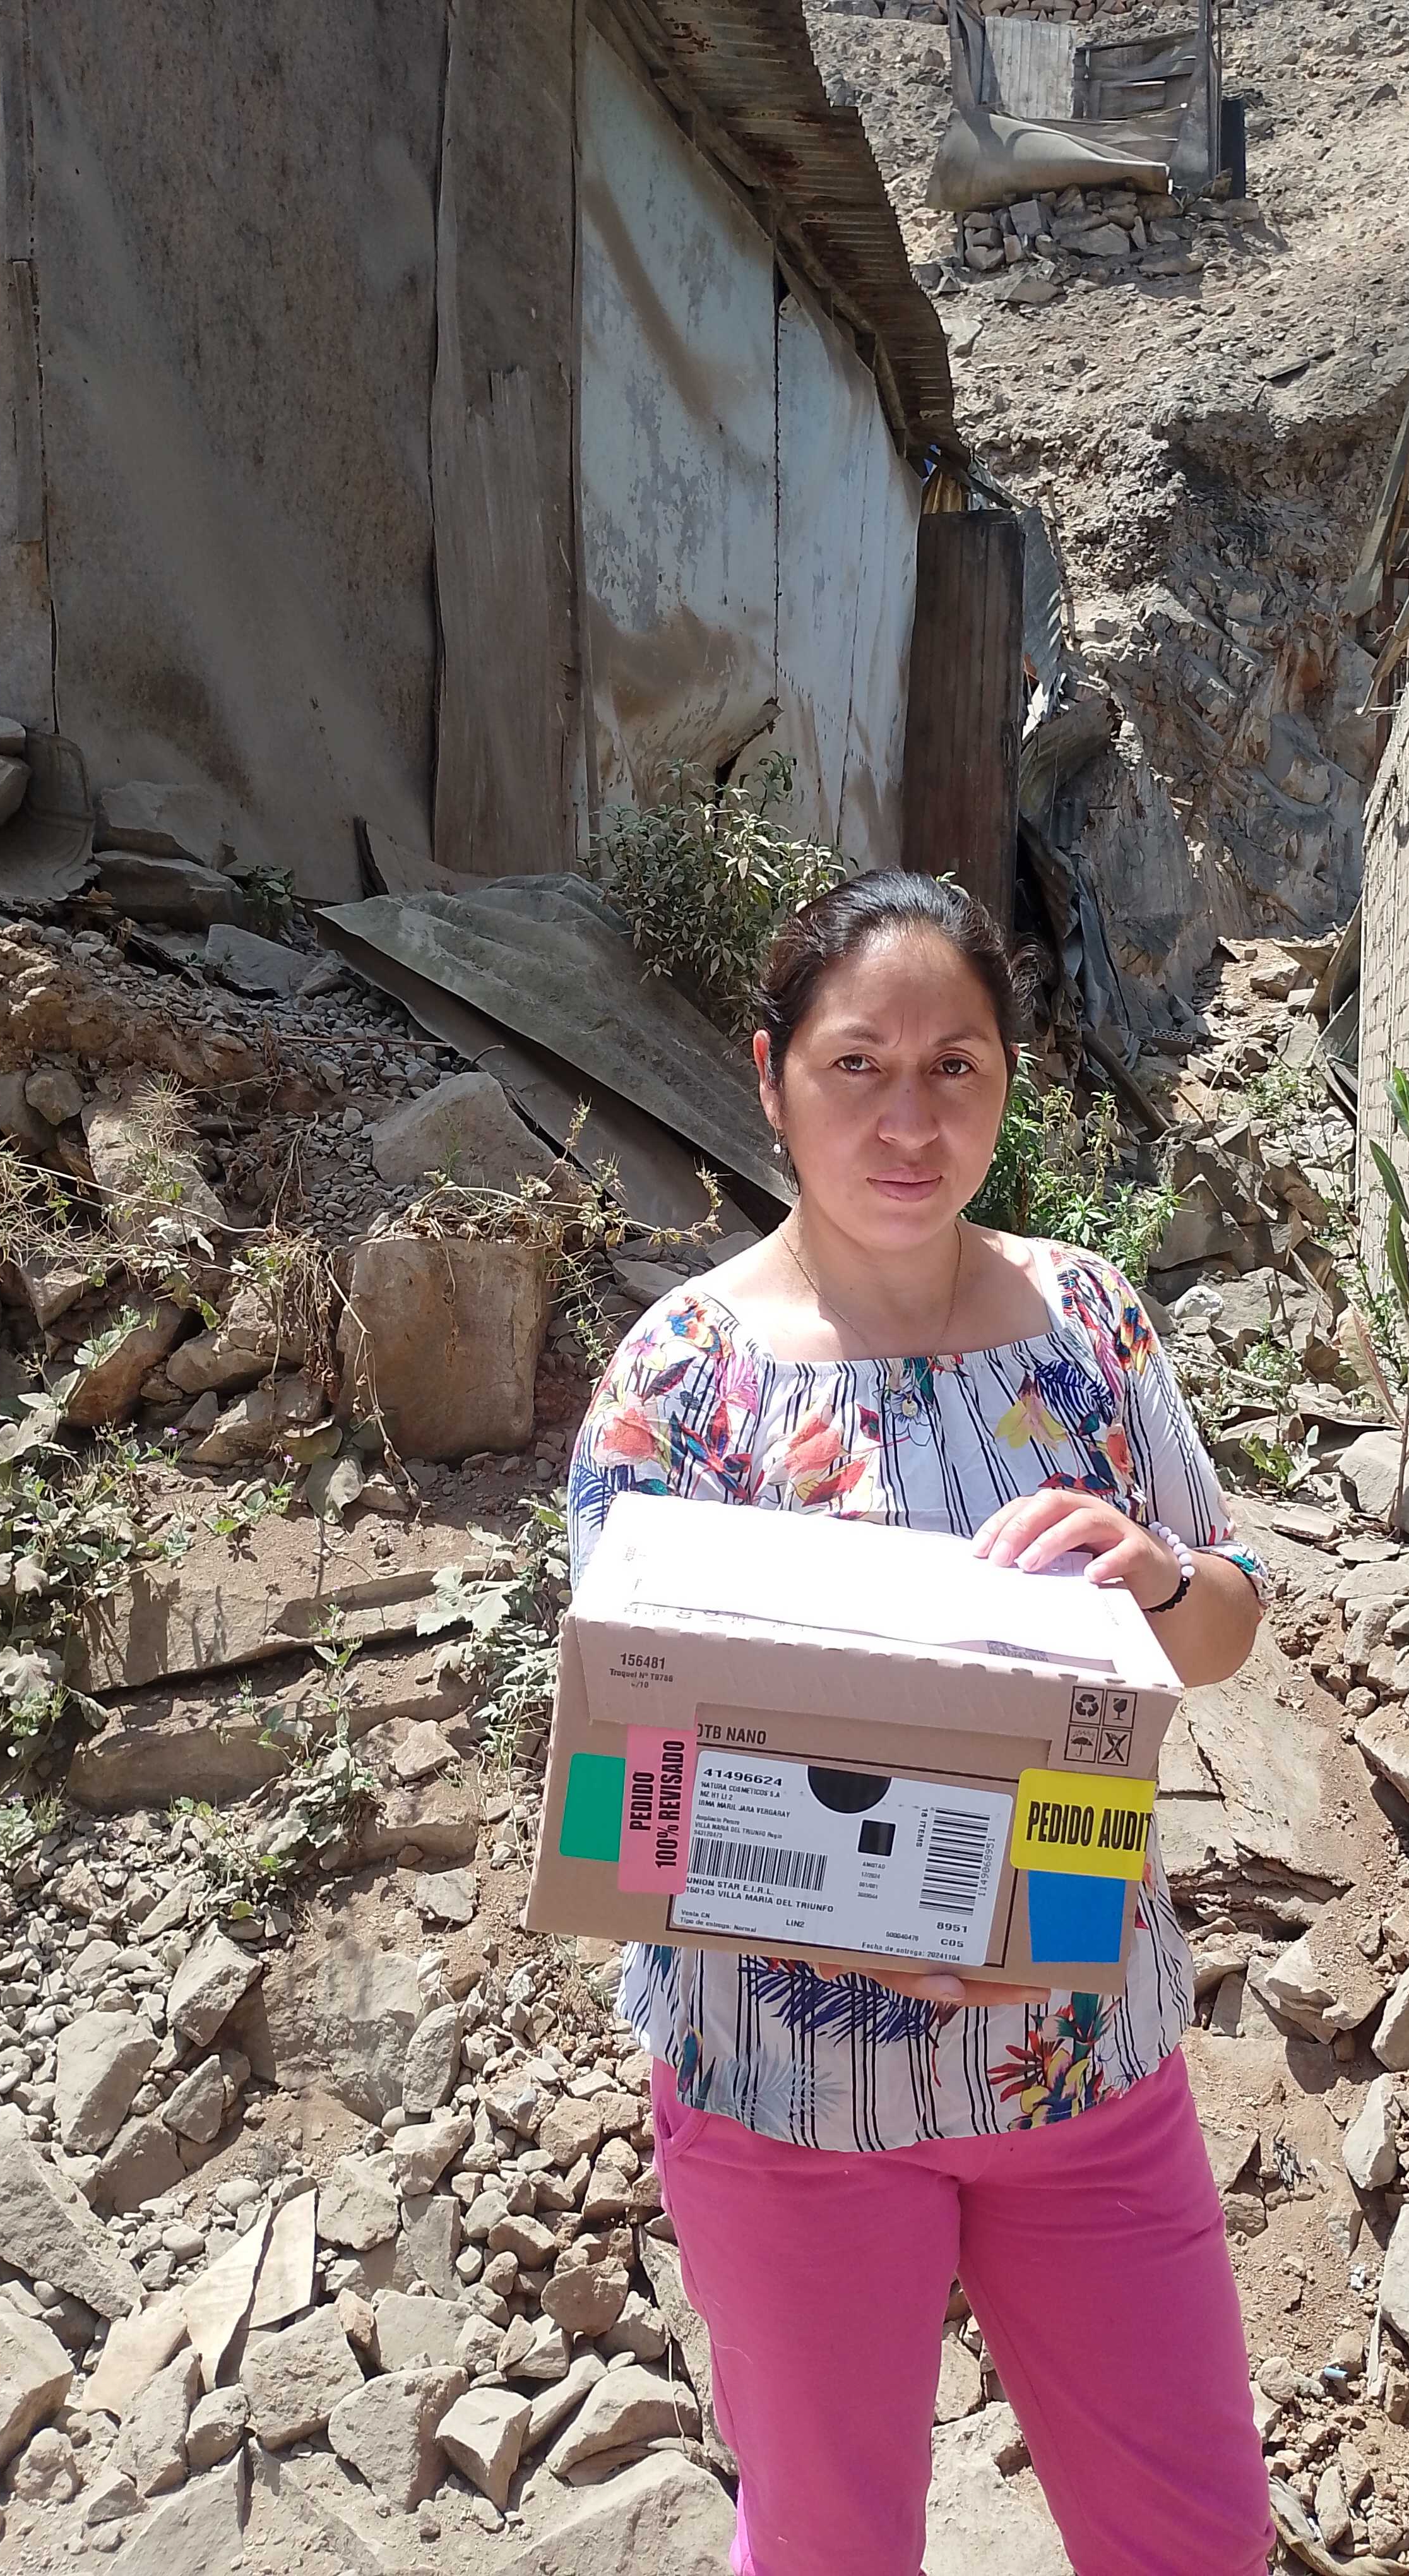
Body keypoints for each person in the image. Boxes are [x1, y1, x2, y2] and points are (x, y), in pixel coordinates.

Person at [566, 871, 1275, 2576]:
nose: (909, 1121)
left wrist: (1164, 1575)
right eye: (857, 1066)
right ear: (770, 1078)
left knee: (1196, 2537)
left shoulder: (1090, 1325)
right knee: (832, 2547)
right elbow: (617, 1790)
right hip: (788, 2096)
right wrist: (857, 1919)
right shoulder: (681, 1385)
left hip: (1082, 2060)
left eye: (955, 1066)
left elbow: (1231, 1626)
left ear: (1008, 1083)